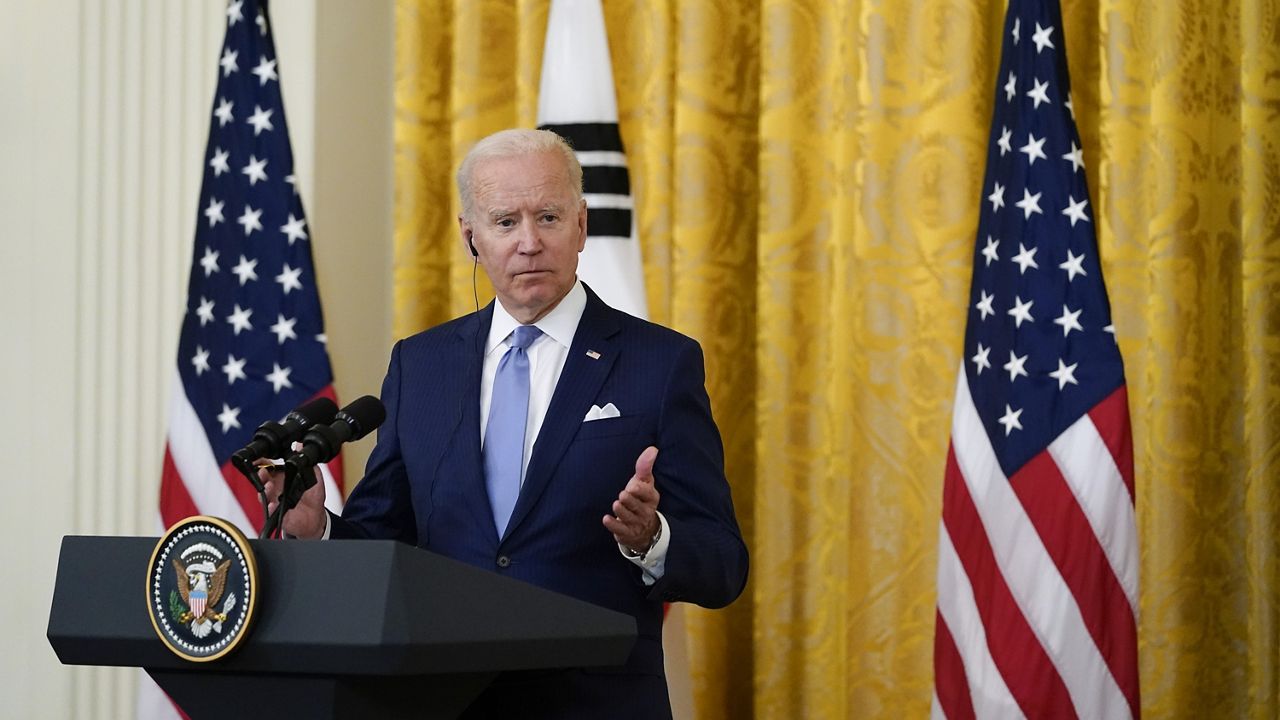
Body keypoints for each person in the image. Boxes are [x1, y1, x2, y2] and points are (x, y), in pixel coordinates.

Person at [262, 128, 748, 719]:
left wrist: (652, 539)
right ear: (471, 236)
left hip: (595, 703)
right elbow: (388, 544)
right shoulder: (422, 365)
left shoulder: (660, 363)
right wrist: (318, 530)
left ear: (581, 226)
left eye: (547, 217)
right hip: (447, 700)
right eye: (505, 222)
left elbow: (723, 565)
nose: (528, 243)